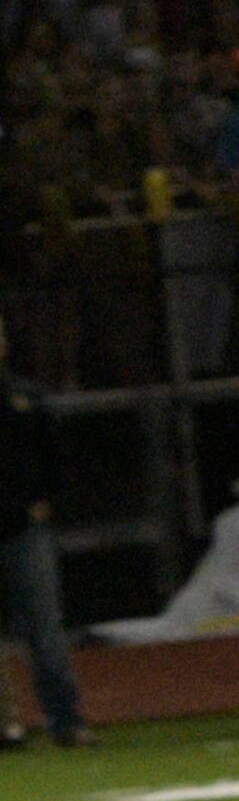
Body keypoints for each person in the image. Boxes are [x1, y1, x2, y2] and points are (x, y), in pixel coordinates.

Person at [0, 315, 88, 748]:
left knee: (44, 628)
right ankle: (6, 726)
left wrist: (45, 503)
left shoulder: (26, 398)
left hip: (23, 529)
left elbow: (56, 457)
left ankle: (66, 720)